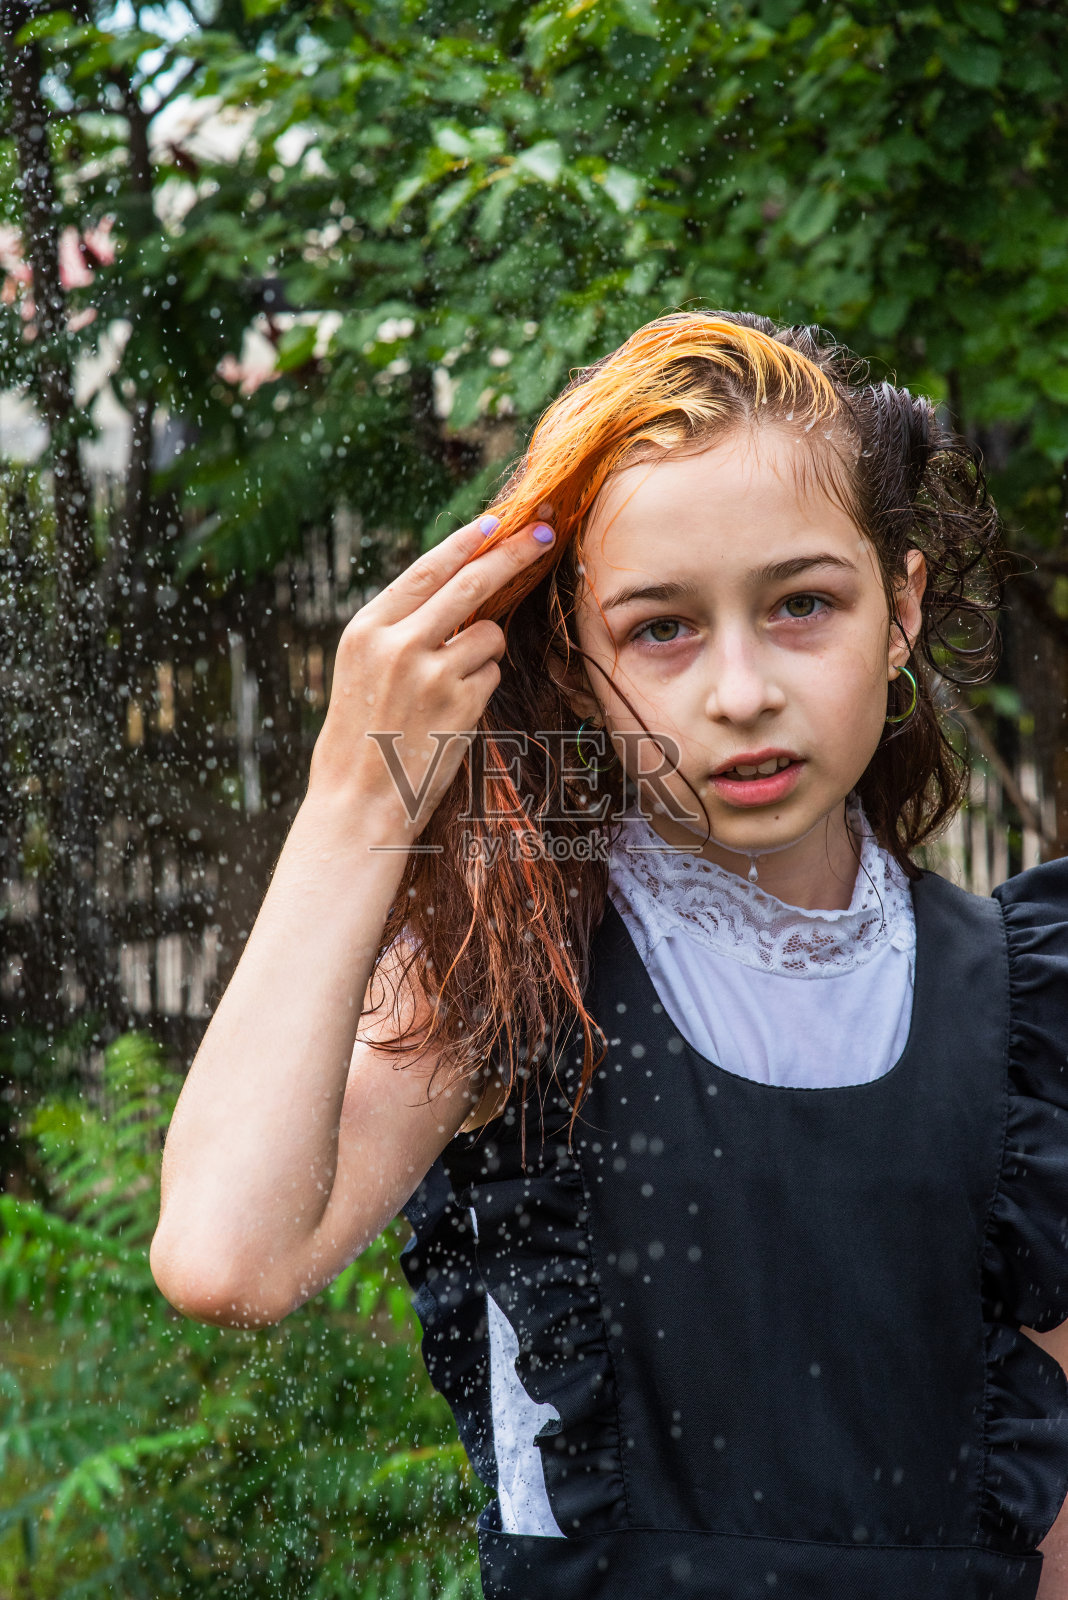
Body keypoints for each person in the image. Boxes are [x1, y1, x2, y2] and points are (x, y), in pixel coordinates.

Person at [150, 311, 1068, 1599]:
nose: (740, 689)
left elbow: (1047, 1486)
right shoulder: (513, 965)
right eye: (662, 629)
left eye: (803, 603)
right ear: (575, 668)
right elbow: (225, 1257)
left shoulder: (1028, 1001)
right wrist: (361, 790)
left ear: (902, 607)